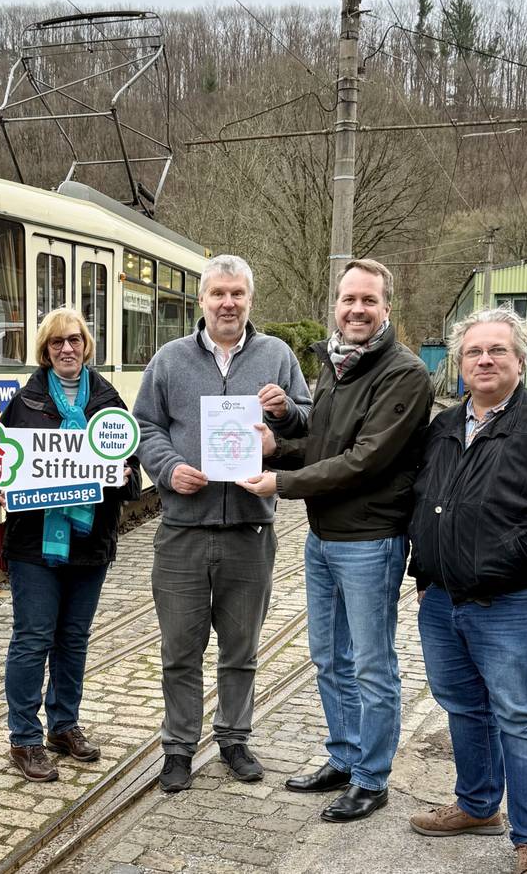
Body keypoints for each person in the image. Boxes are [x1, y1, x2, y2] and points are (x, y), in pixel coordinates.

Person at [406, 307, 527, 874]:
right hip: (444, 602)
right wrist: (425, 577)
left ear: (520, 361)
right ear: (460, 363)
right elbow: (427, 504)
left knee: (524, 717)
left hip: (517, 604)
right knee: (464, 708)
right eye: (474, 352)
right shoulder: (444, 427)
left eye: (498, 351)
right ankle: (476, 805)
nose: (485, 359)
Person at [238, 258, 433, 823]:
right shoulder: (337, 365)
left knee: (371, 663)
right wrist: (280, 446)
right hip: (325, 539)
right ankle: (344, 758)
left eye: (368, 301)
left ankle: (372, 778)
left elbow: (366, 461)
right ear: (337, 305)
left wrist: (283, 481)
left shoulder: (405, 373)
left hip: (370, 540)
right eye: (348, 299)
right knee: (328, 658)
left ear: (385, 309)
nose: (356, 309)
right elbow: (326, 443)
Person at [133, 253, 313, 793]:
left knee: (242, 648)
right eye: (218, 294)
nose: (227, 303)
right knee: (179, 650)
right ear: (202, 300)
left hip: (250, 532)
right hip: (183, 530)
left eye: (237, 294)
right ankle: (179, 748)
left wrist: (281, 418)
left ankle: (234, 738)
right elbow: (145, 426)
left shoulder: (277, 355)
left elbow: (309, 421)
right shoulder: (169, 359)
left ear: (249, 300)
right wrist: (168, 469)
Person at [0, 308, 141, 782]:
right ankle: (23, 738)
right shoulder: (26, 401)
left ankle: (63, 724)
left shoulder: (107, 399)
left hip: (90, 541)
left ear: (86, 345)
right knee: (34, 638)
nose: (67, 349)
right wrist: (2, 485)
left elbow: (132, 473)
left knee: (73, 638)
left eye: (74, 340)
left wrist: (122, 476)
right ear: (46, 349)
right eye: (57, 342)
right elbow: (2, 463)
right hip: (34, 544)